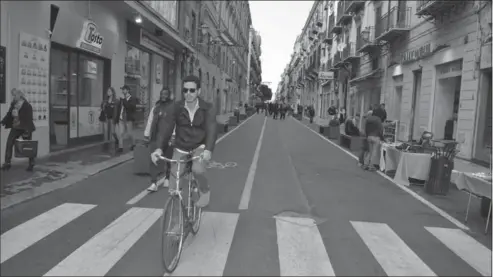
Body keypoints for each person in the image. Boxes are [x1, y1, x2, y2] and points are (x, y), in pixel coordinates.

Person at [151, 75, 217, 208]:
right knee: (173, 189)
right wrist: (158, 148)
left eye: (192, 90)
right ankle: (176, 224)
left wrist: (208, 150)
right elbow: (165, 129)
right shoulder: (176, 107)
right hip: (181, 147)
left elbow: (211, 130)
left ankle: (205, 192)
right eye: (185, 90)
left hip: (200, 146)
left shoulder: (207, 108)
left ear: (198, 91)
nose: (188, 94)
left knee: (198, 169)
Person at [145, 88, 175, 192]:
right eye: (162, 94)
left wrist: (174, 136)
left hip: (168, 138)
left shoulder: (173, 108)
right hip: (155, 137)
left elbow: (176, 123)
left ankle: (167, 177)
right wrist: (146, 134)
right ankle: (154, 182)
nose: (163, 96)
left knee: (168, 159)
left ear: (169, 95)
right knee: (153, 159)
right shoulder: (156, 107)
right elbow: (150, 121)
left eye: (166, 94)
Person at [1, 88, 36, 171]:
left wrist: (27, 131)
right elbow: (9, 114)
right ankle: (7, 163)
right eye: (13, 95)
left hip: (25, 127)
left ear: (20, 95)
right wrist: (2, 122)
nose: (13, 96)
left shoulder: (27, 106)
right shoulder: (13, 104)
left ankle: (31, 162)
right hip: (16, 127)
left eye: (15, 95)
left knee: (28, 146)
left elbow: (29, 119)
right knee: (9, 143)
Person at [114, 85, 137, 152]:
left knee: (130, 133)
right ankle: (120, 148)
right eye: (122, 90)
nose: (122, 91)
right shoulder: (122, 99)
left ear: (128, 90)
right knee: (120, 133)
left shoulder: (132, 99)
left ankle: (133, 144)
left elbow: (129, 107)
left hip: (128, 119)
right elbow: (119, 109)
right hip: (121, 119)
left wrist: (123, 99)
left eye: (124, 90)